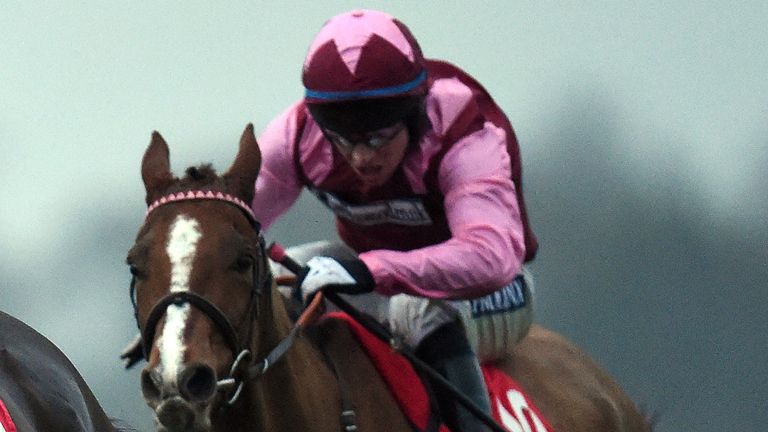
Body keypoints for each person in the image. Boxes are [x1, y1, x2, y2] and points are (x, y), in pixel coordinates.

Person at [253, 9, 539, 431]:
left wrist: (372, 269)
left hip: (490, 291)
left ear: (415, 112)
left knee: (415, 308)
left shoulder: (466, 131)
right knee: (271, 279)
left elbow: (491, 256)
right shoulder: (297, 134)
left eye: (378, 136)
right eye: (344, 139)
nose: (362, 157)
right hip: (376, 282)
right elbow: (230, 221)